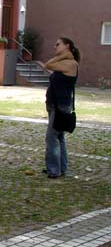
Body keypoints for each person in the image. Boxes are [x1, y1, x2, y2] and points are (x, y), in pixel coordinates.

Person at [43, 36, 80, 178]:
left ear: (67, 46)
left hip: (61, 105)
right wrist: (63, 55)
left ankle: (54, 170)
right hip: (54, 104)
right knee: (59, 136)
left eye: (58, 44)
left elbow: (48, 65)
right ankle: (61, 167)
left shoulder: (71, 63)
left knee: (51, 137)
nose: (55, 47)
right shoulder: (66, 62)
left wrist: (64, 56)